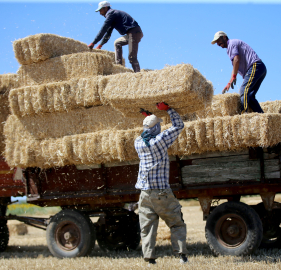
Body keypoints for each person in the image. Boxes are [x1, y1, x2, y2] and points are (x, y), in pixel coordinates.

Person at [135, 102, 188, 266]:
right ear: (156, 128)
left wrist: (150, 118)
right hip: (161, 193)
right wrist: (169, 110)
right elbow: (179, 125)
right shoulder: (161, 140)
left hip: (144, 194)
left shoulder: (138, 142)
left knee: (147, 227)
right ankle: (181, 256)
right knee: (176, 222)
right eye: (159, 124)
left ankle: (149, 259)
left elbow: (148, 131)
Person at [212, 31, 266, 113]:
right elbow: (234, 66)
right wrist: (229, 83)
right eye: (216, 42)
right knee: (250, 96)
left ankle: (243, 113)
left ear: (224, 37)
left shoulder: (232, 44)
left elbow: (236, 60)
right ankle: (262, 117)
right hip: (260, 68)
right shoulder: (230, 48)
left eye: (218, 40)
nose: (218, 44)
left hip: (255, 66)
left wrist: (234, 76)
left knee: (243, 90)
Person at [88, 1, 143, 72]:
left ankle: (138, 74)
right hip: (131, 33)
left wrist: (93, 43)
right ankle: (120, 68)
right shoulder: (112, 15)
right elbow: (108, 33)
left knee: (132, 57)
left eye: (100, 10)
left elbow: (103, 29)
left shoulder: (111, 14)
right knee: (117, 43)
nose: (100, 13)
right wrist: (100, 45)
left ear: (105, 8)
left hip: (134, 32)